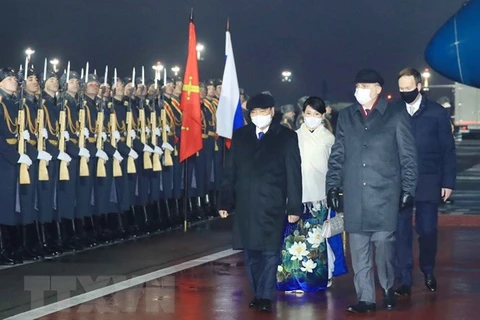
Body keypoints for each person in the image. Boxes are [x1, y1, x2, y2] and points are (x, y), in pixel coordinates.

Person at [326, 69, 417, 313]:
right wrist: (333, 184)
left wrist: (408, 188)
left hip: (385, 193)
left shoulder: (396, 115)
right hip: (355, 193)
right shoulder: (346, 116)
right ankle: (366, 298)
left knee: (384, 244)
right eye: (358, 85)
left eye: (366, 85)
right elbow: (338, 154)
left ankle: (387, 287)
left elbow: (408, 156)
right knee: (358, 250)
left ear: (378, 89)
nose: (360, 90)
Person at [218, 93, 302, 313]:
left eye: (262, 112)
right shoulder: (241, 135)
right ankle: (258, 293)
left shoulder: (286, 137)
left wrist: (294, 206)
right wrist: (225, 201)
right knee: (251, 252)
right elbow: (231, 171)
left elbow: (294, 174)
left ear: (272, 112)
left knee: (270, 252)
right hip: (246, 204)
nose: (258, 116)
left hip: (273, 204)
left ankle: (265, 294)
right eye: (254, 113)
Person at [395, 68, 456, 296]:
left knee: (428, 230)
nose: (404, 93)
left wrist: (448, 181)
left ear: (419, 86)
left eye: (408, 88)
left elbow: (447, 150)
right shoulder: (394, 112)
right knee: (401, 232)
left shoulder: (437, 113)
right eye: (401, 89)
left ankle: (428, 270)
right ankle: (403, 279)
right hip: (400, 182)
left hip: (429, 180)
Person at [276, 96, 346, 293]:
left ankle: (320, 277)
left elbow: (336, 168)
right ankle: (293, 280)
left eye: (316, 114)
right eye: (308, 113)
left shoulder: (330, 139)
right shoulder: (293, 137)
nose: (312, 117)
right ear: (302, 115)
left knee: (318, 239)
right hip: (298, 195)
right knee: (295, 239)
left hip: (320, 197)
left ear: (322, 116)